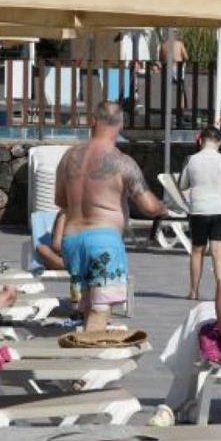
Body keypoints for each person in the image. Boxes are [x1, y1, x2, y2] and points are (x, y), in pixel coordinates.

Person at [55, 101, 167, 331]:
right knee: (100, 309)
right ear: (121, 124)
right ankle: (91, 351)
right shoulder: (123, 163)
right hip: (104, 242)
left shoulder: (68, 157)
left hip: (72, 240)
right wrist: (163, 208)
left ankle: (84, 345)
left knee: (86, 307)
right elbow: (148, 206)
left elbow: (60, 200)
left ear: (92, 121)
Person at [179, 127, 221, 299]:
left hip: (198, 210)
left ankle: (193, 291)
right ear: (220, 142)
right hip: (220, 210)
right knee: (218, 252)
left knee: (197, 250)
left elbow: (182, 185)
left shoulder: (191, 160)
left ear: (201, 140)